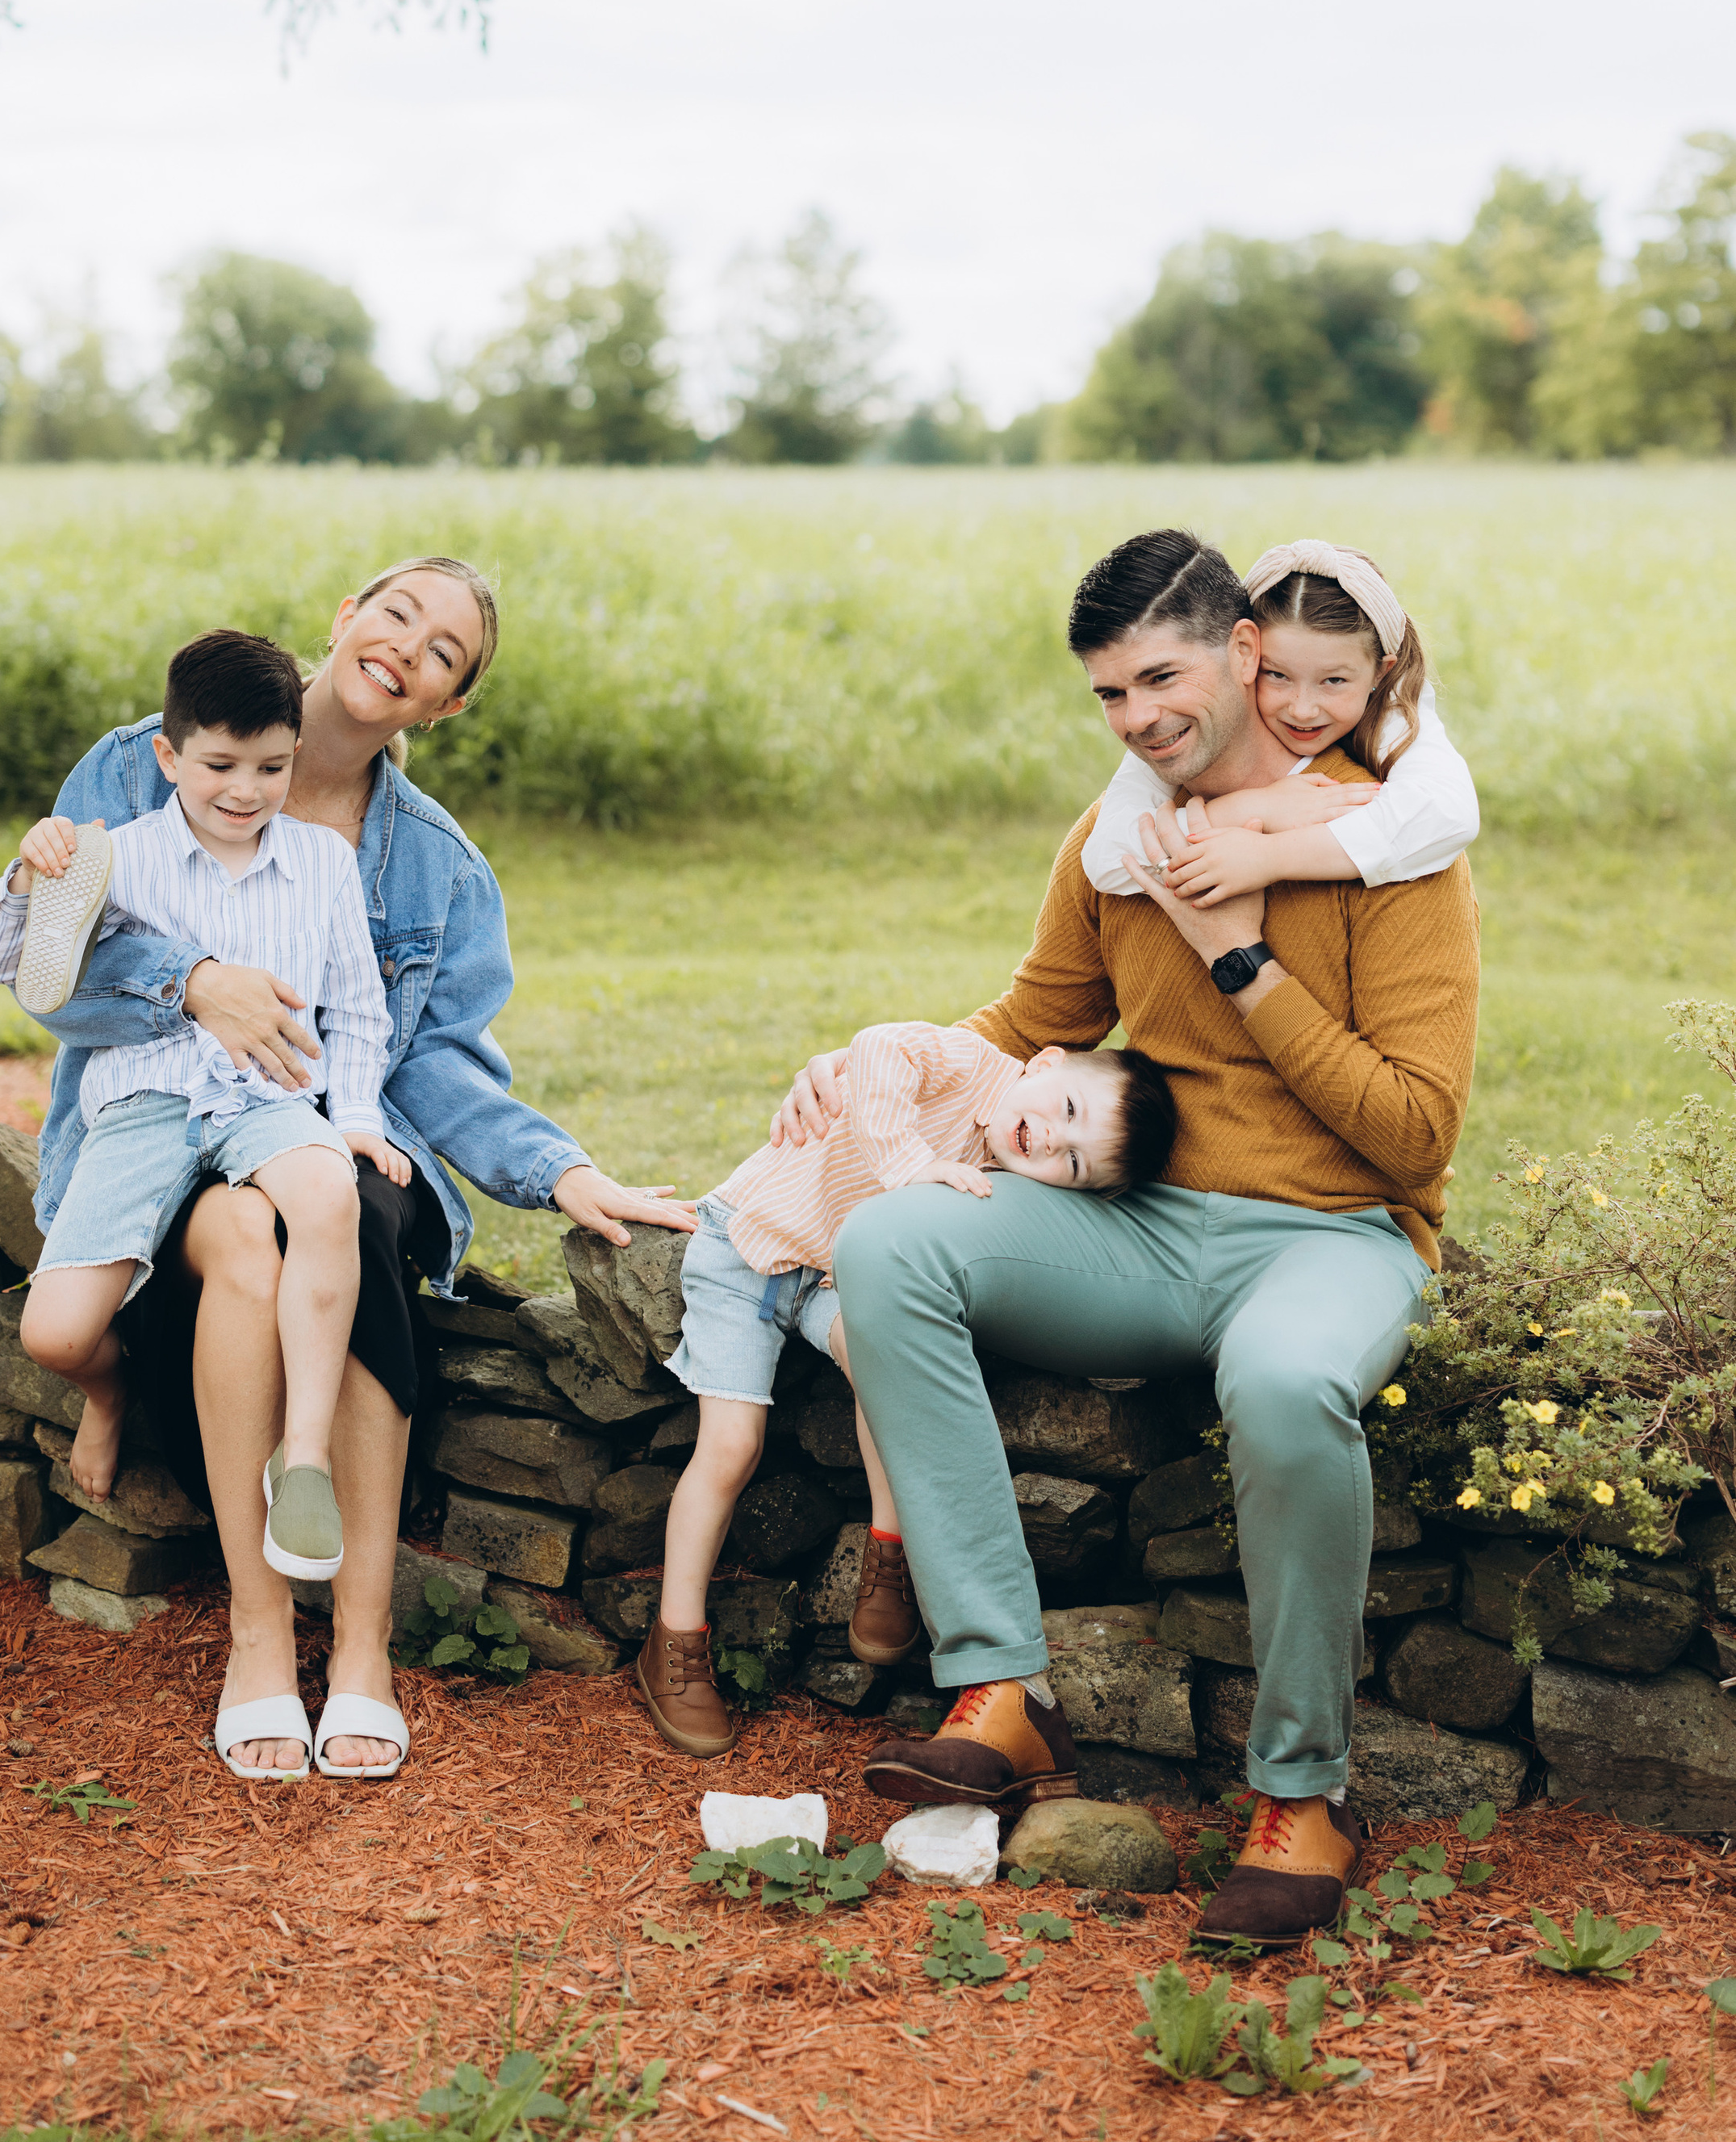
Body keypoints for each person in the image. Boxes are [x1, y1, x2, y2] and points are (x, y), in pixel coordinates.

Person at [776, 529, 1480, 1947]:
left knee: (1286, 1386)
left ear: (1243, 653)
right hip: (1141, 1232)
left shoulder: (1390, 846)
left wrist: (1243, 963)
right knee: (897, 1245)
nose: (1140, 716)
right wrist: (878, 1063)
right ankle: (1003, 1695)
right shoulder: (1113, 845)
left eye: (1161, 677)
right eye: (1109, 696)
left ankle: (1301, 1796)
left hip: (1333, 1236)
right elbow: (1029, 1026)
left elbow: (1415, 1135)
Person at [23, 557, 694, 1785]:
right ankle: (261, 1635)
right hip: (154, 1119)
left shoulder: (433, 864)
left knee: (361, 1222)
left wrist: (559, 1173)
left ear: (445, 707)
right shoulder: (139, 760)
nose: (409, 647)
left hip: (326, 1124)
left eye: (445, 652)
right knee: (233, 1238)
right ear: (345, 618)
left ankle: (366, 1647)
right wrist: (190, 984)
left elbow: (433, 1064)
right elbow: (47, 972)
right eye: (397, 613)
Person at [0, 630, 405, 1592]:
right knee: (55, 1335)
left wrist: (360, 1118)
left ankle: (302, 1461)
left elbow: (359, 1011)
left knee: (327, 1195)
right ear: (169, 757)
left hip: (269, 1093)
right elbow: (11, 965)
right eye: (219, 765)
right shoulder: (115, 859)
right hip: (147, 1103)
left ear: (297, 755)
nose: (245, 790)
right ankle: (112, 1389)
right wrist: (27, 874)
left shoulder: (324, 864)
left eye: (271, 766)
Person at [634, 1023, 1178, 1759]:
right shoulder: (969, 1063)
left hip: (831, 1278)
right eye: (1069, 1110)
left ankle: (888, 1553)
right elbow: (880, 1045)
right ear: (1046, 1063)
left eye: (1073, 1161)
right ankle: (675, 1639)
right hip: (748, 1251)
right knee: (732, 1444)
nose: (1050, 1140)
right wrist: (909, 1162)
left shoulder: (1016, 1176)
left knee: (890, 1363)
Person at [1081, 535, 1478, 906]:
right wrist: (1253, 809)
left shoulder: (1393, 713)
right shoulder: (1171, 728)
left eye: (1334, 681)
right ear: (1247, 655)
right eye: (1277, 674)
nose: (1303, 709)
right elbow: (1105, 858)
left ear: (1379, 673)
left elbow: (1446, 813)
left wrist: (1269, 857)